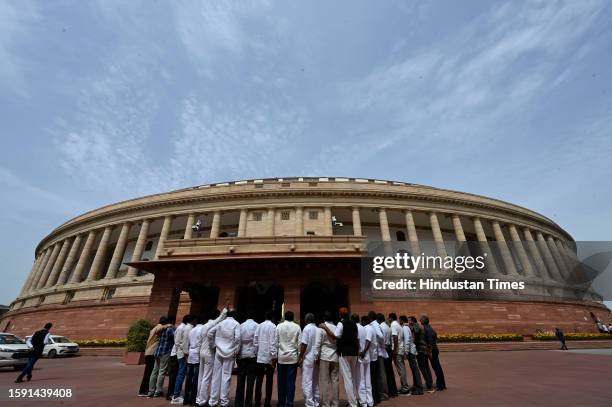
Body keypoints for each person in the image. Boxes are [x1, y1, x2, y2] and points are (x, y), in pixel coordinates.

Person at [319, 308, 360, 407]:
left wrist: (325, 328)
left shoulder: (341, 324)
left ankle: (353, 403)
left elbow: (335, 336)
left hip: (344, 353)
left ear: (340, 315)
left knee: (347, 379)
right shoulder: (354, 324)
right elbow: (357, 339)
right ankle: (353, 400)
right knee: (352, 378)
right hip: (354, 353)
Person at [196, 305, 228, 407]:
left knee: (201, 376)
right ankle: (203, 400)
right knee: (206, 377)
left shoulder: (204, 325)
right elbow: (221, 318)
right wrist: (225, 309)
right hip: (209, 353)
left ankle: (199, 398)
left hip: (201, 352)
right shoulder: (211, 325)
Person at [208, 310, 241, 407]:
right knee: (226, 377)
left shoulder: (221, 323)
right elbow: (238, 338)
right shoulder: (236, 324)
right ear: (234, 315)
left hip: (219, 351)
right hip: (230, 353)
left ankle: (213, 401)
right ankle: (224, 401)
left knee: (216, 376)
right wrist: (236, 351)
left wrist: (213, 345)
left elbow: (210, 333)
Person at [138, 316, 168, 396]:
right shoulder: (159, 327)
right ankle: (144, 390)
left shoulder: (154, 328)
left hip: (149, 351)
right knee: (149, 372)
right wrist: (168, 326)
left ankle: (146, 389)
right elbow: (159, 329)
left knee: (149, 372)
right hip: (152, 352)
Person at [276, 311, 301, 407]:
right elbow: (299, 344)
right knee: (291, 382)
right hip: (293, 358)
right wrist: (299, 357)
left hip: (281, 357)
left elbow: (275, 342)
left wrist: (275, 356)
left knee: (281, 382)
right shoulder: (297, 327)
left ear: (284, 317)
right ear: (293, 317)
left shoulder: (279, 326)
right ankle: (289, 403)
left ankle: (281, 403)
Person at [253, 310, 277, 407]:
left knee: (259, 381)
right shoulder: (273, 326)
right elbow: (273, 343)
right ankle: (267, 402)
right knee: (269, 381)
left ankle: (257, 402)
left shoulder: (259, 326)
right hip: (269, 358)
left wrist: (256, 353)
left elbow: (255, 341)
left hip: (260, 358)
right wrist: (274, 356)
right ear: (272, 318)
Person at [315, 311, 339, 407]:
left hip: (324, 356)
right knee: (335, 381)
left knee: (325, 381)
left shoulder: (321, 329)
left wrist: (316, 357)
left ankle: (326, 404)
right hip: (335, 356)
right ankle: (335, 403)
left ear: (324, 318)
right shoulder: (337, 327)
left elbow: (317, 344)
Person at [148, 315, 176, 397]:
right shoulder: (170, 330)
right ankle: (158, 390)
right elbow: (176, 337)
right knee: (162, 371)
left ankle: (151, 390)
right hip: (165, 352)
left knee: (154, 371)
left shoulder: (160, 329)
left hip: (158, 351)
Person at [235, 311, 259, 407]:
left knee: (240, 379)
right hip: (252, 354)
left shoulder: (241, 325)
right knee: (251, 380)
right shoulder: (257, 325)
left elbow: (238, 340)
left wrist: (237, 353)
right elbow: (257, 342)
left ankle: (238, 403)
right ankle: (248, 403)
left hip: (242, 354)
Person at [171, 314, 196, 404]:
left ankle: (176, 394)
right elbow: (183, 342)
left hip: (181, 353)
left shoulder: (183, 327)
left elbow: (178, 342)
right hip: (183, 354)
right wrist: (186, 353)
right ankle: (176, 396)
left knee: (180, 373)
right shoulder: (187, 328)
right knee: (181, 374)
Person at [299, 313, 320, 407]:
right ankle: (316, 401)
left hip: (308, 358)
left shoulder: (306, 328)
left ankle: (309, 403)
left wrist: (300, 357)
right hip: (316, 358)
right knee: (315, 381)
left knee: (307, 381)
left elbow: (304, 345)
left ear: (306, 320)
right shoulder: (318, 329)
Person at [420, 315, 446, 391]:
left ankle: (441, 385)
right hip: (433, 350)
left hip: (433, 351)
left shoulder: (427, 329)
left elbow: (430, 342)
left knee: (437, 367)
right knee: (436, 367)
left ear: (423, 321)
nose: (420, 320)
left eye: (421, 319)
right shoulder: (428, 328)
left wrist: (430, 352)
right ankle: (441, 384)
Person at [367, 311, 387, 403]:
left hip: (378, 352)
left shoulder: (374, 324)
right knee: (379, 374)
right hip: (377, 352)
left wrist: (381, 345)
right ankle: (381, 393)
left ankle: (383, 394)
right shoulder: (375, 324)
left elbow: (380, 336)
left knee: (380, 374)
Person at [399, 315, 422, 395]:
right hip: (411, 350)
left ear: (402, 320)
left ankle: (419, 387)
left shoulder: (405, 328)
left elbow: (407, 340)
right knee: (414, 369)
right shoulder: (407, 327)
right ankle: (416, 385)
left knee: (415, 369)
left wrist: (406, 351)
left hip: (410, 351)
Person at [410, 316, 434, 393]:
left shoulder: (416, 326)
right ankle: (430, 383)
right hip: (424, 349)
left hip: (421, 350)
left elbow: (416, 333)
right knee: (426, 367)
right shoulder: (420, 326)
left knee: (423, 368)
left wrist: (410, 328)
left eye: (409, 320)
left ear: (412, 321)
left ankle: (429, 385)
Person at [185, 315, 204, 405]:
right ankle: (193, 398)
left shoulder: (192, 330)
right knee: (195, 378)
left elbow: (188, 342)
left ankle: (186, 398)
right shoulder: (202, 329)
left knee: (189, 377)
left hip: (191, 352)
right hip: (197, 352)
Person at [389, 313, 410, 394]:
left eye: (389, 318)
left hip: (397, 350)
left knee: (401, 369)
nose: (388, 319)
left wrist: (394, 349)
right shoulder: (398, 325)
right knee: (401, 369)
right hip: (400, 349)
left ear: (391, 318)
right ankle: (404, 386)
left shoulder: (393, 325)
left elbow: (395, 337)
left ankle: (405, 387)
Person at [377, 313, 397, 397]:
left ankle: (386, 391)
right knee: (390, 371)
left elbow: (381, 339)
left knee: (384, 372)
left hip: (384, 349)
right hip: (388, 348)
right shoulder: (387, 326)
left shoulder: (380, 327)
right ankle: (393, 391)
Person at [167, 315, 187, 400]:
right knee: (174, 375)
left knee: (174, 375)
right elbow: (177, 342)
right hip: (175, 354)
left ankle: (172, 393)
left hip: (175, 353)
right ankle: (171, 394)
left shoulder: (179, 327)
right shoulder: (182, 328)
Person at [358, 315, 373, 407]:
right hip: (367, 357)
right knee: (367, 379)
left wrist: (363, 351)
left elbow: (368, 341)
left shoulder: (367, 328)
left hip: (363, 356)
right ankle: (370, 401)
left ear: (363, 321)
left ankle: (364, 402)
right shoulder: (368, 328)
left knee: (362, 380)